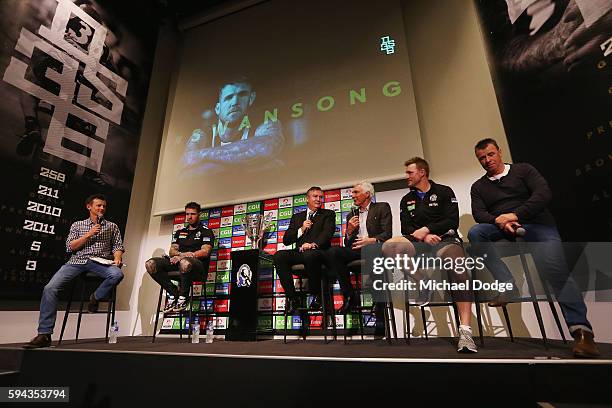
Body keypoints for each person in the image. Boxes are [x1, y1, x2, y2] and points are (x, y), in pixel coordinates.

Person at [467, 138, 599, 357]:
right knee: (475, 233)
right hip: (502, 228)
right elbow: (479, 214)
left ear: (499, 152)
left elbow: (543, 194)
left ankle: (583, 333)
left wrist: (516, 215)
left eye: (490, 154)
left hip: (537, 225)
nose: (487, 160)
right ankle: (508, 284)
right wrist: (501, 220)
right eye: (482, 158)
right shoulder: (479, 186)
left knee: (556, 270)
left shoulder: (523, 170)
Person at [382, 157, 478, 353]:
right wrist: (423, 237)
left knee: (457, 264)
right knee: (389, 247)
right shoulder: (406, 199)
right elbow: (407, 228)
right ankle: (423, 281)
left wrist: (428, 229)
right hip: (420, 243)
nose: (406, 176)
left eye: (410, 172)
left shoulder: (444, 191)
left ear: (422, 172)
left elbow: (452, 221)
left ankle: (466, 331)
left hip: (444, 240)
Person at [23, 194, 124, 349]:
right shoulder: (78, 225)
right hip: (77, 261)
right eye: (98, 205)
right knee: (50, 288)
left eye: (104, 206)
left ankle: (95, 297)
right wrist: (89, 234)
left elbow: (117, 246)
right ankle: (44, 334)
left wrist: (117, 258)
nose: (102, 208)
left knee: (117, 274)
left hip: (100, 261)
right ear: (89, 207)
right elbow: (70, 247)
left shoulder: (112, 226)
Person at [181, 77, 284, 175]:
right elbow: (186, 163)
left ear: (251, 99)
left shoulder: (266, 122)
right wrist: (248, 163)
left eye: (242, 95)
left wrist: (202, 155)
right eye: (228, 98)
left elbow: (265, 149)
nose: (235, 102)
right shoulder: (204, 133)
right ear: (217, 108)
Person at [324, 181, 392, 314]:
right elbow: (348, 243)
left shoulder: (382, 207)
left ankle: (378, 299)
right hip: (356, 250)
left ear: (367, 194)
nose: (352, 195)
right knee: (334, 251)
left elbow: (387, 233)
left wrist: (370, 240)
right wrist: (349, 231)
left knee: (372, 249)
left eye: (356, 192)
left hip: (375, 248)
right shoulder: (351, 215)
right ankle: (349, 296)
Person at [273, 186, 335, 313]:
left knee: (310, 255)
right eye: (315, 196)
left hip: (319, 252)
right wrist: (301, 229)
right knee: (279, 256)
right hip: (300, 252)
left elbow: (327, 234)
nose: (318, 199)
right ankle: (292, 298)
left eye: (321, 197)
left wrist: (312, 244)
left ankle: (316, 294)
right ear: (307, 199)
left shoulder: (328, 214)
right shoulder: (297, 217)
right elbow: (286, 240)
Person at [145, 202, 214, 313]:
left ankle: (183, 297)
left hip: (197, 269)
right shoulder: (180, 232)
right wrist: (177, 256)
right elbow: (172, 251)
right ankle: (173, 292)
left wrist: (182, 256)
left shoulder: (206, 231)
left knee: (185, 263)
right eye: (187, 214)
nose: (189, 217)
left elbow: (205, 251)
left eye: (193, 214)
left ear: (199, 214)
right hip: (179, 265)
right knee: (150, 264)